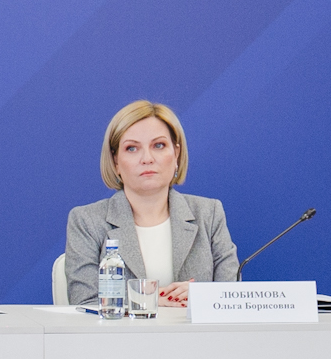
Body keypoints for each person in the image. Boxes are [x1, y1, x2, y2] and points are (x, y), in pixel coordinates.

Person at [64, 99, 236, 307]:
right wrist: (148, 301)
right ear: (116, 161)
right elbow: (85, 303)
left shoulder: (209, 214)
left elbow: (231, 298)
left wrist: (202, 296)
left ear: (176, 154)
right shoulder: (87, 221)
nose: (147, 158)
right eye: (132, 148)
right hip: (122, 330)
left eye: (159, 145)